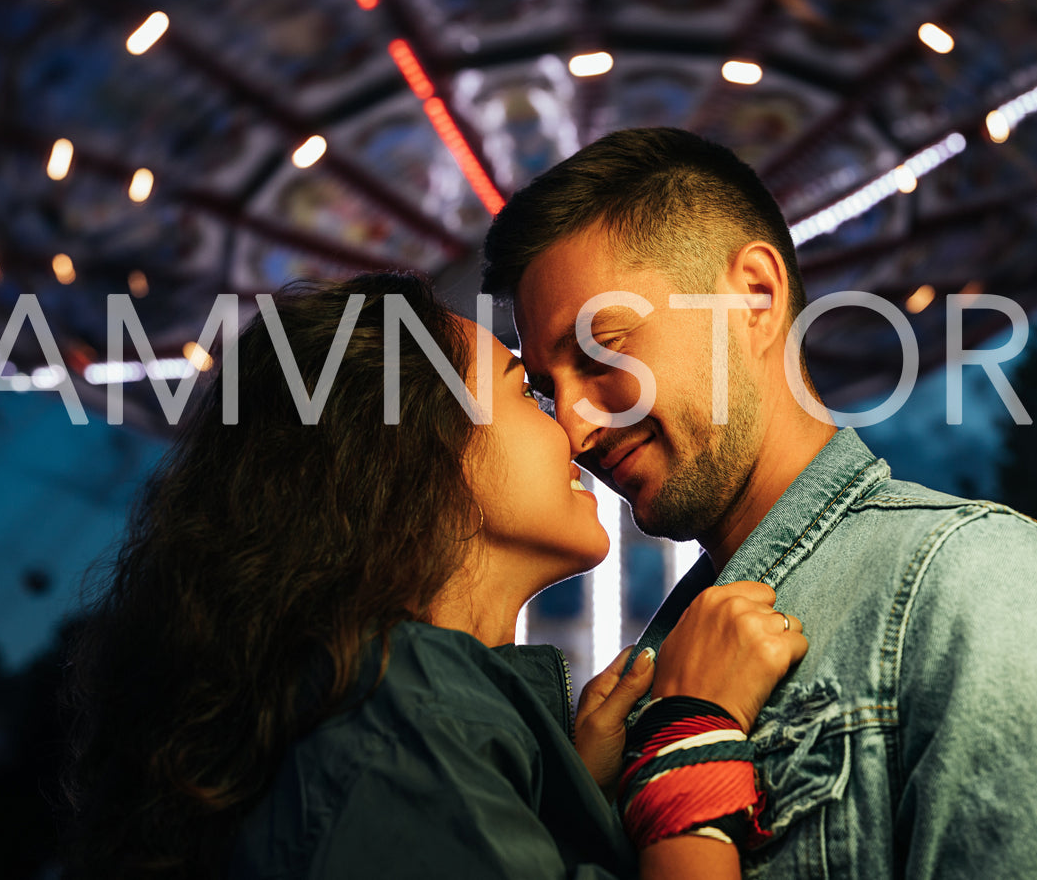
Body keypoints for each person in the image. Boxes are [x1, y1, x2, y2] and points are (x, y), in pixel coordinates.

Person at [482, 127, 1037, 878]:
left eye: (603, 352)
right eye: (544, 387)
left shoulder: (977, 588)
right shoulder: (639, 695)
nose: (571, 426)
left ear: (755, 295)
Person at [60, 272, 807, 880]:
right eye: (526, 393)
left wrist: (556, 792)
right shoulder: (397, 729)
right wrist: (690, 742)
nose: (575, 429)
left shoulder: (388, 717)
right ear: (419, 453)